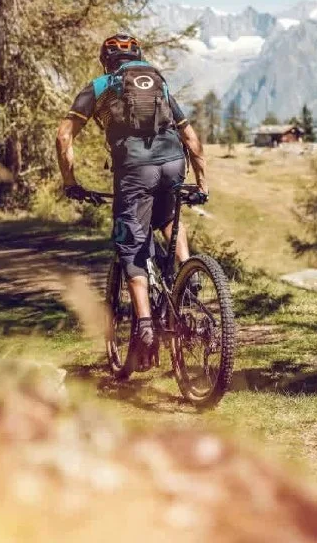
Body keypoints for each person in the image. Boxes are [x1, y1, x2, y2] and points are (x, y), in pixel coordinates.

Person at [55, 33, 208, 373]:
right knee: (170, 218)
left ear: (105, 60)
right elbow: (191, 139)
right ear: (139, 57)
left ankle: (145, 325)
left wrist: (71, 182)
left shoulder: (100, 86)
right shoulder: (159, 84)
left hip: (134, 171)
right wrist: (202, 183)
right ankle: (188, 275)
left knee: (130, 243)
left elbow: (63, 135)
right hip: (173, 164)